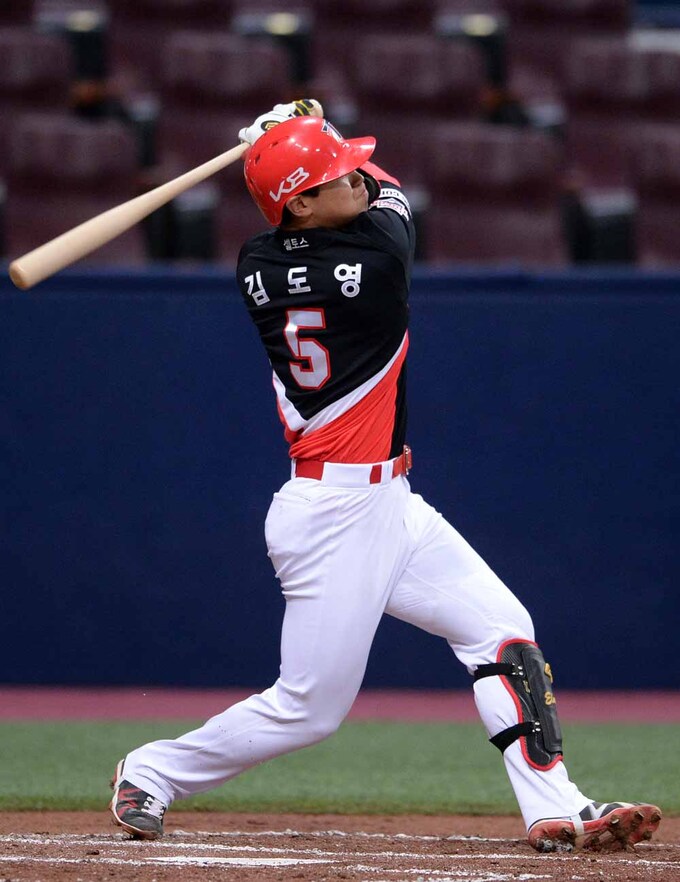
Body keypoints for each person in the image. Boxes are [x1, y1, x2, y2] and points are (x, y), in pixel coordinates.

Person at [110, 100, 662, 853]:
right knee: (309, 710)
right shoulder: (375, 260)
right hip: (333, 514)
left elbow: (337, 200)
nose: (354, 180)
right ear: (301, 203)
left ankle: (557, 809)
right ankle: (153, 770)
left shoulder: (256, 262)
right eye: (334, 176)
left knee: (502, 629)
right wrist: (306, 130)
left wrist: (294, 144)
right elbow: (389, 190)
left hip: (389, 501)